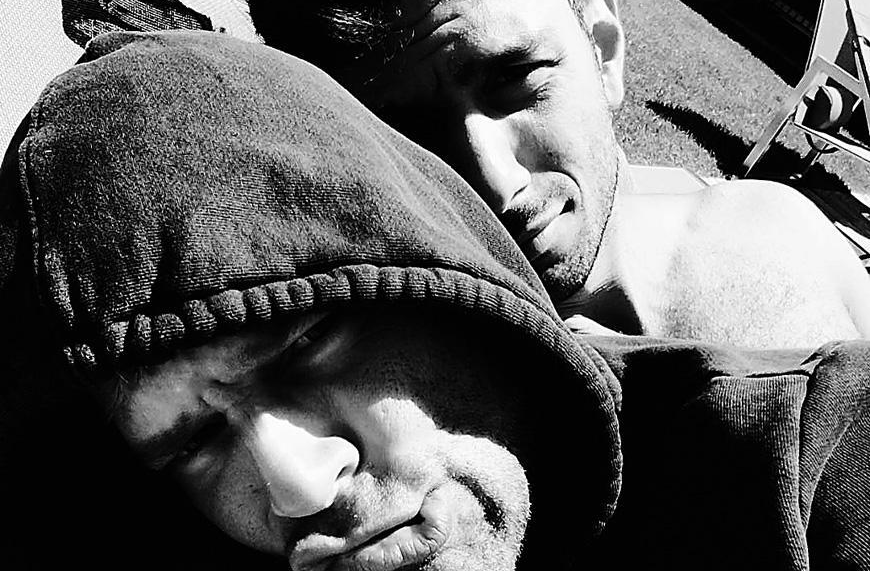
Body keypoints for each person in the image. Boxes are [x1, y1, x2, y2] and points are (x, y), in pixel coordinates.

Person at [2, 30, 870, 570]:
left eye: (306, 343)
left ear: (446, 280)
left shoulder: (803, 463)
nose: (295, 486)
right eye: (191, 443)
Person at [245, 0, 870, 349]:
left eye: (515, 76)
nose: (497, 184)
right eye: (407, 133)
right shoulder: (379, 390)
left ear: (603, 45)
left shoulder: (786, 231)